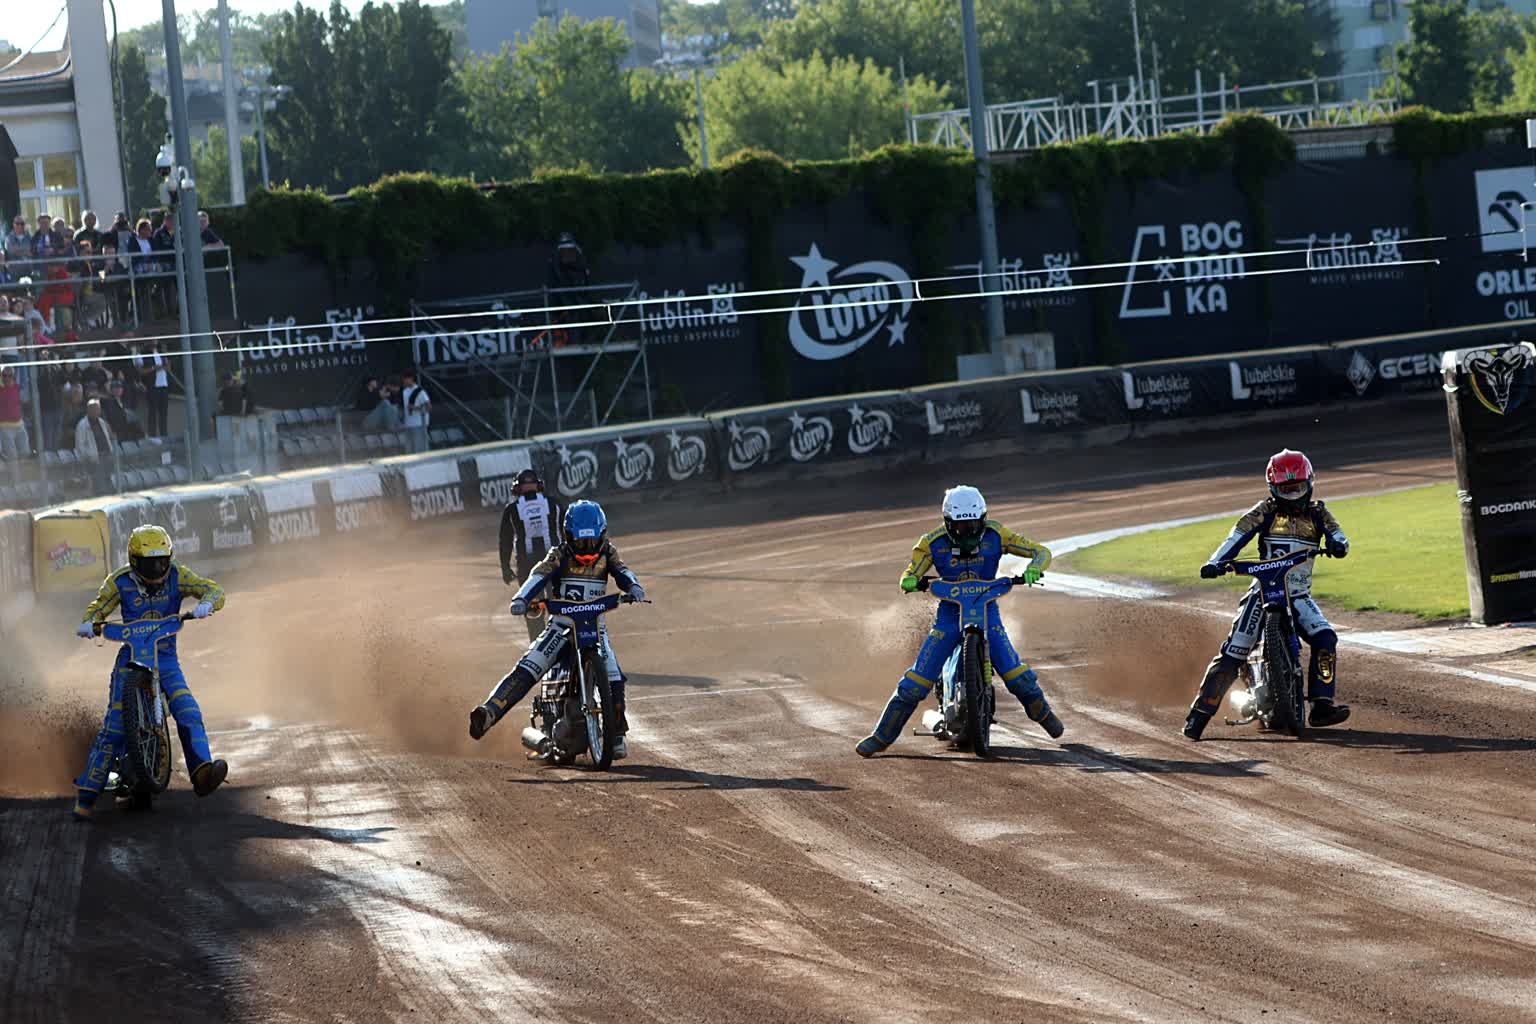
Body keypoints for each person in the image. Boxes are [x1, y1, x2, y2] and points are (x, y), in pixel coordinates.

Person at [856, 485, 1064, 757]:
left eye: (973, 525)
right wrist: (911, 581)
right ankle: (881, 737)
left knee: (1016, 676)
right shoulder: (930, 542)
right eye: (960, 526)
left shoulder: (997, 534)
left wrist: (1034, 568)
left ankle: (1045, 716)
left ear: (983, 519)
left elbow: (1041, 551)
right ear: (947, 522)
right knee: (915, 683)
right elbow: (909, 573)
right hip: (948, 617)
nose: (967, 532)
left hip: (987, 612)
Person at [1183, 450, 1351, 740]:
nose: (1293, 495)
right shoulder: (1263, 511)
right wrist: (1215, 563)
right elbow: (1236, 537)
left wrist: (1338, 545)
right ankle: (1199, 715)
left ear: (1310, 483)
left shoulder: (1319, 513)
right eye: (1286, 490)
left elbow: (1340, 536)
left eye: (1298, 487)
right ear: (1273, 488)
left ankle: (1322, 706)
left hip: (1298, 595)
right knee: (1234, 651)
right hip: (1261, 591)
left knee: (1326, 639)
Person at [71, 524, 229, 820]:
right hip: (129, 660)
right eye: (149, 563)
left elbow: (213, 589)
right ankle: (86, 797)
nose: (157, 569)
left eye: (162, 561)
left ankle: (202, 773)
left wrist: (207, 603)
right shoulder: (119, 581)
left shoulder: (179, 575)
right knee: (114, 727)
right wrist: (89, 623)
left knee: (188, 710)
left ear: (170, 558)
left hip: (165, 660)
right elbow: (97, 607)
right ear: (133, 561)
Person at [469, 500, 646, 759]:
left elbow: (623, 571)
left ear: (602, 535)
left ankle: (617, 734)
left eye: (591, 542)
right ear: (567, 537)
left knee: (614, 676)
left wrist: (634, 586)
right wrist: (522, 598)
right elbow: (538, 575)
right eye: (580, 543)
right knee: (530, 665)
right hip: (561, 626)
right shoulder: (558, 555)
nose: (586, 549)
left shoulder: (609, 553)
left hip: (596, 628)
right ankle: (489, 712)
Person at [498, 469, 565, 641]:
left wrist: (505, 567)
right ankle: (563, 642)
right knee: (560, 607)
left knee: (533, 611)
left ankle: (538, 646)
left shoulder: (512, 509)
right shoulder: (554, 504)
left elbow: (505, 541)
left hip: (528, 567)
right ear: (539, 485)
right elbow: (567, 532)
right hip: (555, 563)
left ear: (517, 488)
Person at [135, 341, 170, 441]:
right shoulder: (141, 355)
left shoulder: (161, 353)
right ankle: (152, 435)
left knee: (163, 412)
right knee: (152, 412)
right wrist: (154, 368)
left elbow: (167, 367)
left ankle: (164, 435)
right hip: (152, 386)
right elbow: (140, 371)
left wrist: (166, 366)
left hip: (164, 385)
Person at [0, 366, 28, 468]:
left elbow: (25, 400)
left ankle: (23, 472)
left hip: (19, 424)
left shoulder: (18, 387)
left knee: (25, 451)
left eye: (9, 376)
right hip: (5, 426)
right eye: (4, 376)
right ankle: (15, 476)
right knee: (12, 456)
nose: (7, 378)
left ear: (13, 376)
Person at [400, 370, 430, 453]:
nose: (404, 381)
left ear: (411, 378)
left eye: (406, 379)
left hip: (419, 424)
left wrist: (414, 408)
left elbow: (428, 406)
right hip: (408, 424)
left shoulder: (419, 391)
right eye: (404, 379)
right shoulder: (404, 391)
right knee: (409, 449)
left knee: (419, 448)